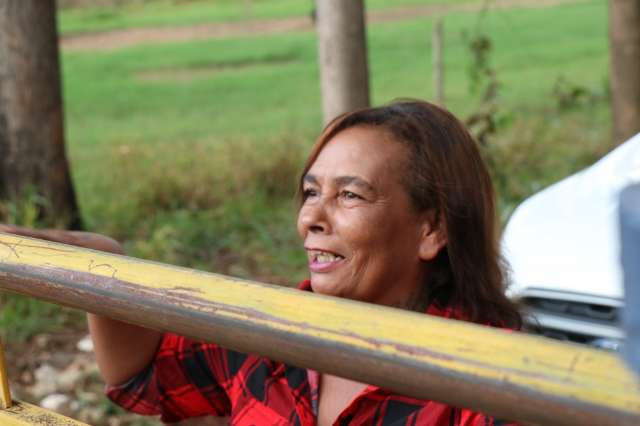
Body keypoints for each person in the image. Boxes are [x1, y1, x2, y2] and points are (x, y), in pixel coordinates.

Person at [0, 100, 521, 425]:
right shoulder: (270, 336)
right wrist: (100, 259)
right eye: (310, 192)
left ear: (432, 229)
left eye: (351, 197)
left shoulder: (491, 384)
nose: (311, 218)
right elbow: (142, 376)